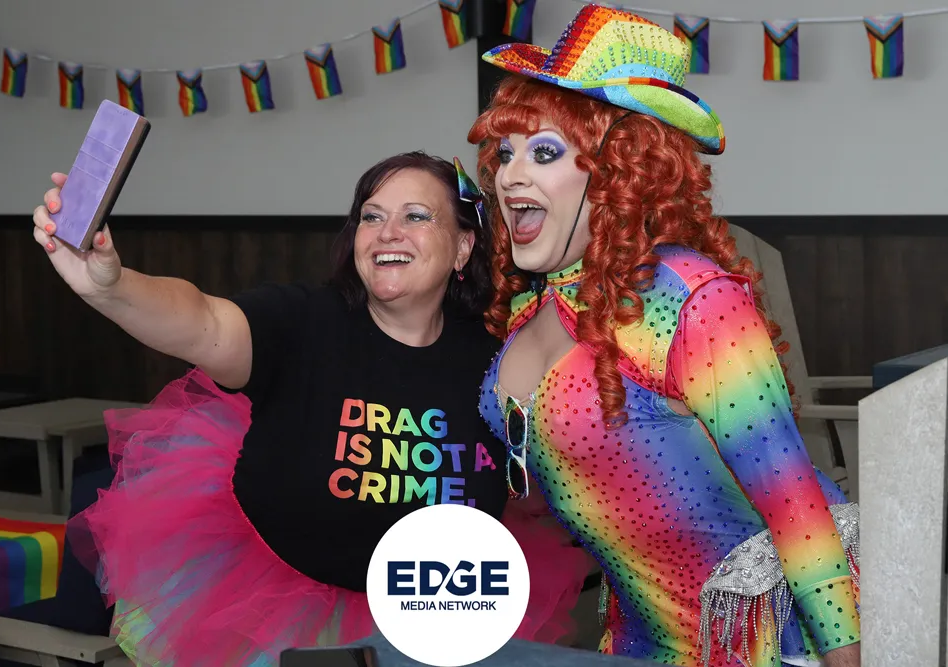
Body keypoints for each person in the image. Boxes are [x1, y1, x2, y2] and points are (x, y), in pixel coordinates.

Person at [29, 151, 588, 666]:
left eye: (416, 216)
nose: (387, 232)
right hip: (277, 608)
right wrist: (111, 287)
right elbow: (201, 319)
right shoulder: (302, 322)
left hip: (441, 612)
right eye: (371, 217)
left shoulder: (498, 358)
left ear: (463, 247)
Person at [467, 6, 860, 667]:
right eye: (505, 153)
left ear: (621, 168)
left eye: (544, 152)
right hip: (633, 640)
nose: (509, 176)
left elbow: (795, 503)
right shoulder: (530, 310)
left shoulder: (692, 300)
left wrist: (847, 658)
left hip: (758, 646)